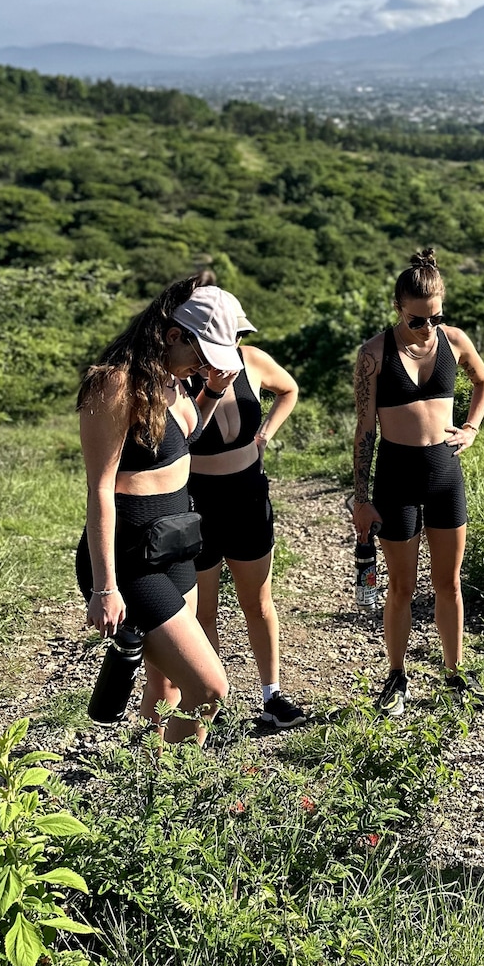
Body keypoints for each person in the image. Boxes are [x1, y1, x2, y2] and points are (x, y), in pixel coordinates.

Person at [76, 278, 243, 745]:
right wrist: (105, 586)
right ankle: (176, 789)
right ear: (172, 336)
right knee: (210, 688)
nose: (206, 365)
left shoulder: (175, 381)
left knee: (167, 684)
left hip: (176, 544)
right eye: (202, 354)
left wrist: (209, 392)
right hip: (130, 557)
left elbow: (178, 444)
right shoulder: (115, 385)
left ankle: (151, 783)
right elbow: (101, 490)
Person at [351, 247, 484, 715]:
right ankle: (396, 677)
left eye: (435, 317)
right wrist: (361, 500)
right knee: (401, 587)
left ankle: (454, 675)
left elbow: (483, 381)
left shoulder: (453, 338)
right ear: (398, 309)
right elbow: (365, 430)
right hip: (397, 478)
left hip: (446, 473)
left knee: (449, 584)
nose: (427, 328)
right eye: (417, 320)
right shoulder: (373, 355)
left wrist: (471, 428)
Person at [184, 286, 305, 729]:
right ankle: (212, 703)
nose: (228, 345)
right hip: (198, 499)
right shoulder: (183, 375)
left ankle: (272, 696)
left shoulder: (251, 359)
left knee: (258, 601)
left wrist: (267, 431)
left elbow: (289, 389)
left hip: (249, 493)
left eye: (235, 335)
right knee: (205, 610)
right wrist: (209, 390)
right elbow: (182, 436)